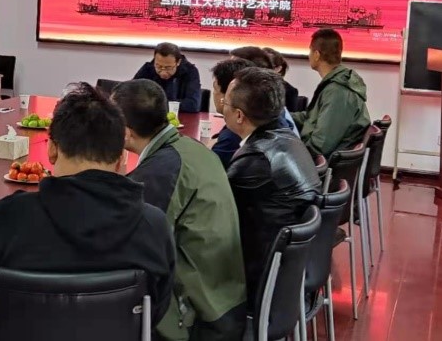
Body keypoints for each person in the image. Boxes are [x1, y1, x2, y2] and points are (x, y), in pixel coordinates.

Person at [0, 83, 175, 326]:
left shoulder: (3, 219)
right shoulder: (154, 228)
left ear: (52, 150)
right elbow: (156, 310)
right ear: (121, 158)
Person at [112, 80, 246, 341]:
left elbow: (127, 245)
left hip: (200, 318)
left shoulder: (160, 173)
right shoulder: (189, 149)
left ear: (126, 132)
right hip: (225, 298)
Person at [223, 68, 321, 300]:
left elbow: (217, 215)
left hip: (264, 279)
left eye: (225, 102)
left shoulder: (256, 160)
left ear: (239, 115)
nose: (221, 106)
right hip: (293, 270)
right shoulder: (288, 138)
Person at [292, 29, 371, 158]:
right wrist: (284, 116)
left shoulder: (338, 91)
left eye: (310, 51)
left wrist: (295, 155)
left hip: (323, 163)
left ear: (316, 55)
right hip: (327, 158)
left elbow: (320, 145)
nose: (309, 56)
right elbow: (313, 117)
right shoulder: (336, 84)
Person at [133, 42, 202, 113]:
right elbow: (130, 95)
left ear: (178, 62)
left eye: (168, 67)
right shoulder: (148, 68)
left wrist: (155, 104)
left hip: (179, 117)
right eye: (159, 66)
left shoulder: (190, 71)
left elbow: (193, 105)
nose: (163, 72)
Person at [262, 47, 300, 113]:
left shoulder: (289, 91)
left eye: (267, 67)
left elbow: (289, 117)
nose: (262, 70)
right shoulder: (248, 85)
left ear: (278, 69)